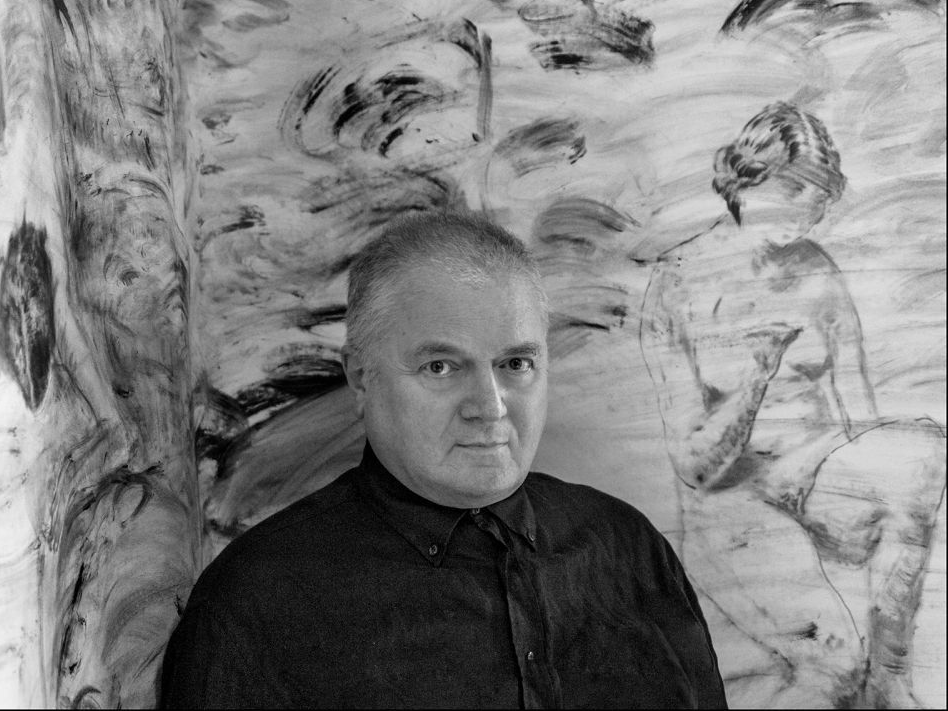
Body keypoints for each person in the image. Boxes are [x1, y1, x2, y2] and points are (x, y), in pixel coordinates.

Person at [160, 212, 727, 708]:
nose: (490, 407)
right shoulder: (255, 604)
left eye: (515, 364)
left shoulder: (630, 549)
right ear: (360, 377)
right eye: (440, 367)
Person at [640, 102, 946, 707]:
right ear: (747, 178)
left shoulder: (816, 270)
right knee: (836, 668)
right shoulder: (679, 282)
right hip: (733, 502)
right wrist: (757, 372)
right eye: (796, 190)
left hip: (815, 477)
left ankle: (892, 677)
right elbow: (695, 467)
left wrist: (868, 519)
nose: (810, 211)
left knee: (922, 450)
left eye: (820, 197)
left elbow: (861, 416)